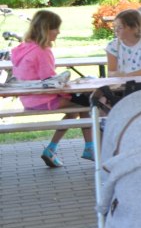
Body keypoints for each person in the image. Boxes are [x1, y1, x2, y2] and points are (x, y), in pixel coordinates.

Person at [15, 11, 91, 168]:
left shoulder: (24, 47)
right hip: (42, 98)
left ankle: (52, 149)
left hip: (28, 98)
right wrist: (69, 92)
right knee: (86, 104)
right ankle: (90, 147)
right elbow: (51, 82)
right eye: (56, 28)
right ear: (46, 29)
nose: (59, 32)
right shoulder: (42, 51)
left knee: (75, 109)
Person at [105, 8, 141, 78]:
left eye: (120, 27)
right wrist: (115, 75)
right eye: (115, 27)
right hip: (119, 86)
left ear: (134, 28)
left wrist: (126, 76)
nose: (116, 30)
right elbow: (110, 72)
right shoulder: (113, 46)